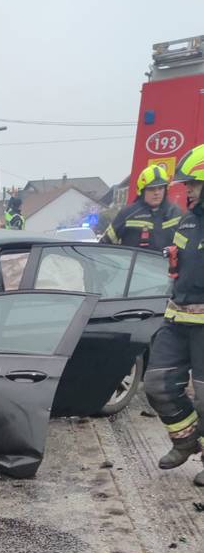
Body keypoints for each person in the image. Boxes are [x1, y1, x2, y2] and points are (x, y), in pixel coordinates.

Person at [142, 145, 204, 484]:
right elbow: (176, 263)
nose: (187, 190)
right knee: (157, 384)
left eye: (193, 183)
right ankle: (185, 440)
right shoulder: (190, 220)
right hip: (178, 319)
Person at [101, 165, 181, 251]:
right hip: (134, 264)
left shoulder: (175, 213)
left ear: (166, 189)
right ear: (142, 191)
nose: (157, 193)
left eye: (160, 188)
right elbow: (104, 245)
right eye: (151, 189)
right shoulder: (128, 214)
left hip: (164, 264)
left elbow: (185, 248)